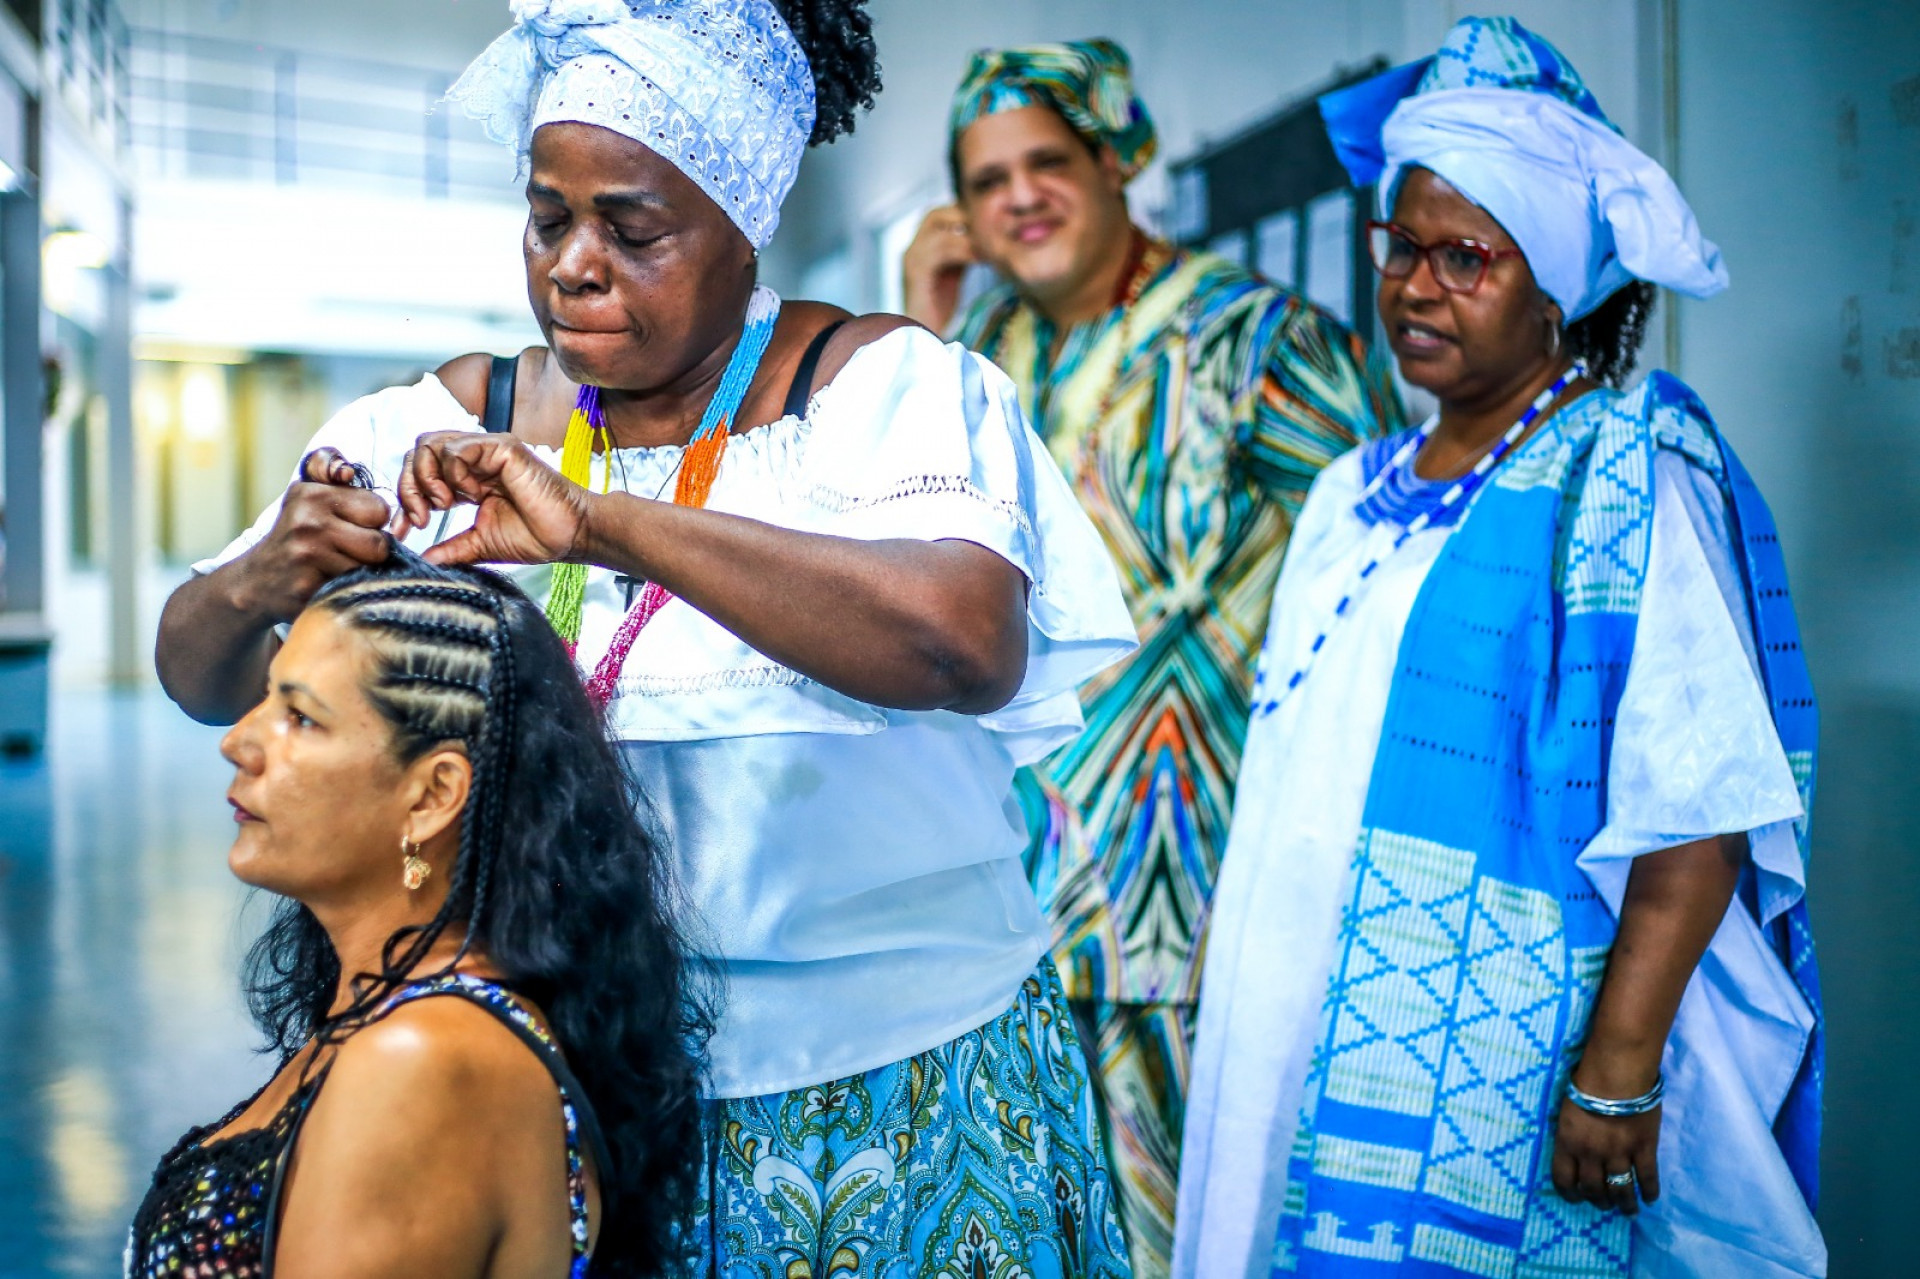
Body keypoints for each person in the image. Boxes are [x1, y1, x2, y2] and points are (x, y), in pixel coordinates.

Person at [153, 1, 1139, 1273]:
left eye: (632, 228)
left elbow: (961, 639)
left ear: (744, 226)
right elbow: (194, 667)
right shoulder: (456, 416)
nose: (573, 263)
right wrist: (263, 574)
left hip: (903, 1090)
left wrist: (606, 526)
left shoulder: (886, 390)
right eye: (548, 216)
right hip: (576, 1095)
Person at [1176, 17, 1823, 1279]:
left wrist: (1620, 1069)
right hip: (1292, 1006)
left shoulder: (1624, 479)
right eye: (1401, 245)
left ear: (1561, 284)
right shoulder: (1347, 488)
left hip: (1508, 1056)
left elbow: (1699, 807)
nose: (1417, 286)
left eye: (1467, 256)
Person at [901, 38, 1402, 1277]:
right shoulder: (978, 363)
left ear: (1121, 158)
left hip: (1188, 894)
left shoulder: (1262, 342)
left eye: (1049, 161)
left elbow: (1379, 591)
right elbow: (889, 577)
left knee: (1188, 1240)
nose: (1018, 197)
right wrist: (917, 329)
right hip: (999, 905)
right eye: (985, 179)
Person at [130, 551, 708, 1277]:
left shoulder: (421, 1063)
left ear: (433, 794)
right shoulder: (410, 1012)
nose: (239, 741)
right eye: (270, 701)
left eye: (301, 716)